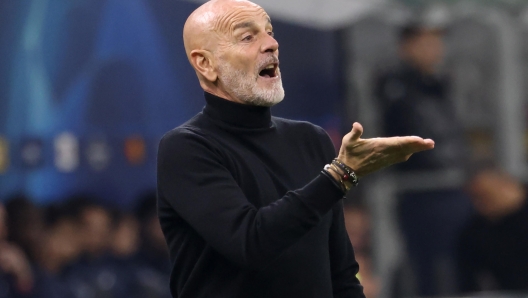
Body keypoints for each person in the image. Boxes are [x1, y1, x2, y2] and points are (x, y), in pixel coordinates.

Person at [156, 1, 434, 297]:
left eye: (270, 32)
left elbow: (340, 274)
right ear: (205, 64)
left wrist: (337, 176)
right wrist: (339, 175)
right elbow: (251, 243)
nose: (272, 44)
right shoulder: (186, 149)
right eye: (248, 37)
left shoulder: (310, 140)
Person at [374, 22, 472, 296]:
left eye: (436, 42)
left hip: (452, 186)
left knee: (461, 258)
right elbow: (412, 130)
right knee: (427, 264)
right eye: (425, 43)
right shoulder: (397, 85)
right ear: (407, 47)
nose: (434, 50)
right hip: (420, 188)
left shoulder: (439, 84)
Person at [457, 165, 528, 293]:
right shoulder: (475, 232)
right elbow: (469, 280)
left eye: (484, 196)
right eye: (474, 198)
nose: (478, 204)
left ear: (505, 186)